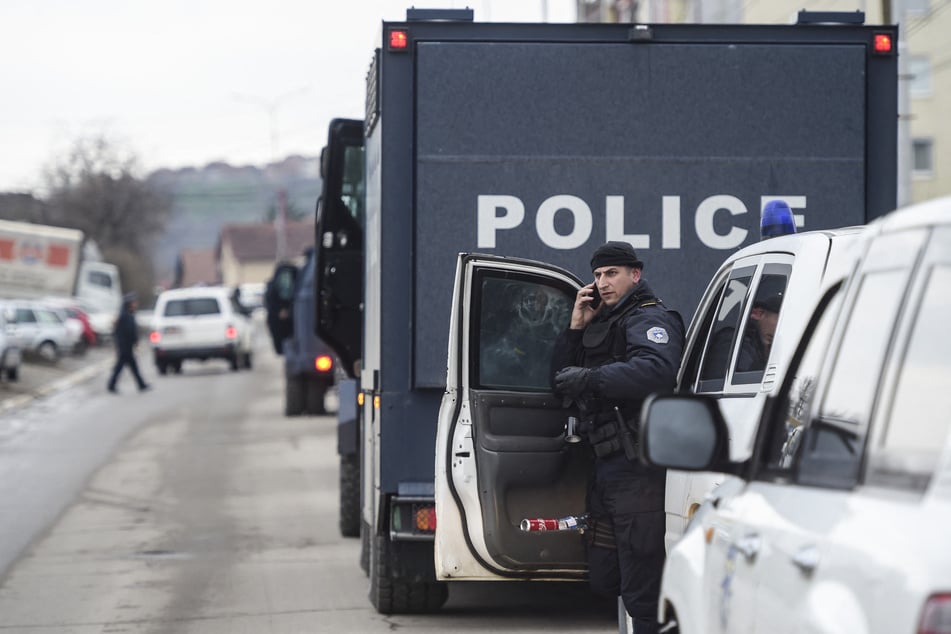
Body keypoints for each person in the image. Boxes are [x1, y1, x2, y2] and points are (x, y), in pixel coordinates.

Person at [550, 241, 684, 634]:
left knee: (642, 583)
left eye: (612, 273)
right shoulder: (602, 320)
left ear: (635, 275)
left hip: (637, 469)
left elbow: (658, 370)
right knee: (607, 576)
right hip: (606, 467)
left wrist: (591, 378)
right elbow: (560, 383)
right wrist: (576, 326)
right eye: (597, 275)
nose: (603, 282)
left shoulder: (648, 316)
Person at [107, 292, 150, 393]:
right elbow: (129, 331)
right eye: (134, 302)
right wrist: (135, 341)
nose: (136, 304)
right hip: (125, 346)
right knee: (123, 366)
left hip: (126, 346)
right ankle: (112, 385)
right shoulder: (125, 315)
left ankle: (140, 384)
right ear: (129, 303)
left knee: (129, 366)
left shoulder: (127, 314)